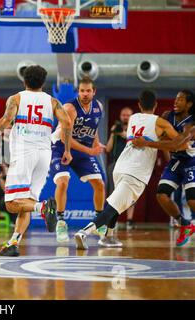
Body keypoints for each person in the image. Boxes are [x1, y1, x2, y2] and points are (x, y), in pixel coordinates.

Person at [74, 90, 193, 249]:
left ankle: (109, 237)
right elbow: (180, 142)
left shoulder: (133, 118)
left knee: (118, 203)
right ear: (156, 105)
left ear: (139, 104)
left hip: (121, 166)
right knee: (113, 206)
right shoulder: (160, 123)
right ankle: (84, 232)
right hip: (136, 171)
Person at [0, 65, 72, 257]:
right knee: (26, 202)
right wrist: (67, 149)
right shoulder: (53, 101)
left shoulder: (16, 98)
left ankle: (43, 207)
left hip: (24, 153)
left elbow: (6, 120)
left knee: (12, 204)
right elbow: (67, 123)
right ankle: (14, 243)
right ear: (43, 82)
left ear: (24, 81)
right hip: (44, 155)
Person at [49, 76, 106, 243]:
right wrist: (87, 150)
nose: (85, 94)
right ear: (78, 92)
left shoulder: (98, 107)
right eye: (82, 91)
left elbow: (93, 128)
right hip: (61, 146)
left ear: (94, 92)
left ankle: (99, 222)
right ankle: (60, 222)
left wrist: (96, 144)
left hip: (81, 149)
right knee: (63, 182)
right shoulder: (70, 108)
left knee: (99, 184)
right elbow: (67, 138)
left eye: (88, 91)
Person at [147, 89, 195, 246]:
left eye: (180, 99)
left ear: (189, 104)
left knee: (192, 199)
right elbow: (162, 138)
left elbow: (175, 143)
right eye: (176, 98)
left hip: (192, 160)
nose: (176, 101)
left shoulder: (192, 122)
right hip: (176, 161)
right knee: (161, 194)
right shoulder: (167, 116)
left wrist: (147, 143)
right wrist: (168, 146)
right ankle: (184, 223)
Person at [106, 107, 136, 231]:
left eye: (128, 115)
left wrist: (124, 134)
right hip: (115, 164)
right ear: (120, 116)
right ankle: (112, 221)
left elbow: (134, 144)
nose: (125, 117)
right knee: (112, 193)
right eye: (123, 115)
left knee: (130, 193)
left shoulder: (134, 130)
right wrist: (113, 134)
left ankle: (129, 220)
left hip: (130, 165)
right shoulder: (115, 129)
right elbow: (108, 149)